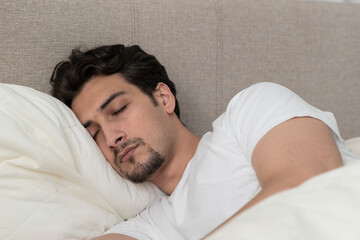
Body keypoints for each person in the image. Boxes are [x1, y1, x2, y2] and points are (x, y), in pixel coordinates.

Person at [50, 44, 355, 240]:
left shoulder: (248, 112)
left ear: (163, 97)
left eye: (118, 110)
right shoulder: (148, 227)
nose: (112, 137)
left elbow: (306, 186)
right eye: (94, 134)